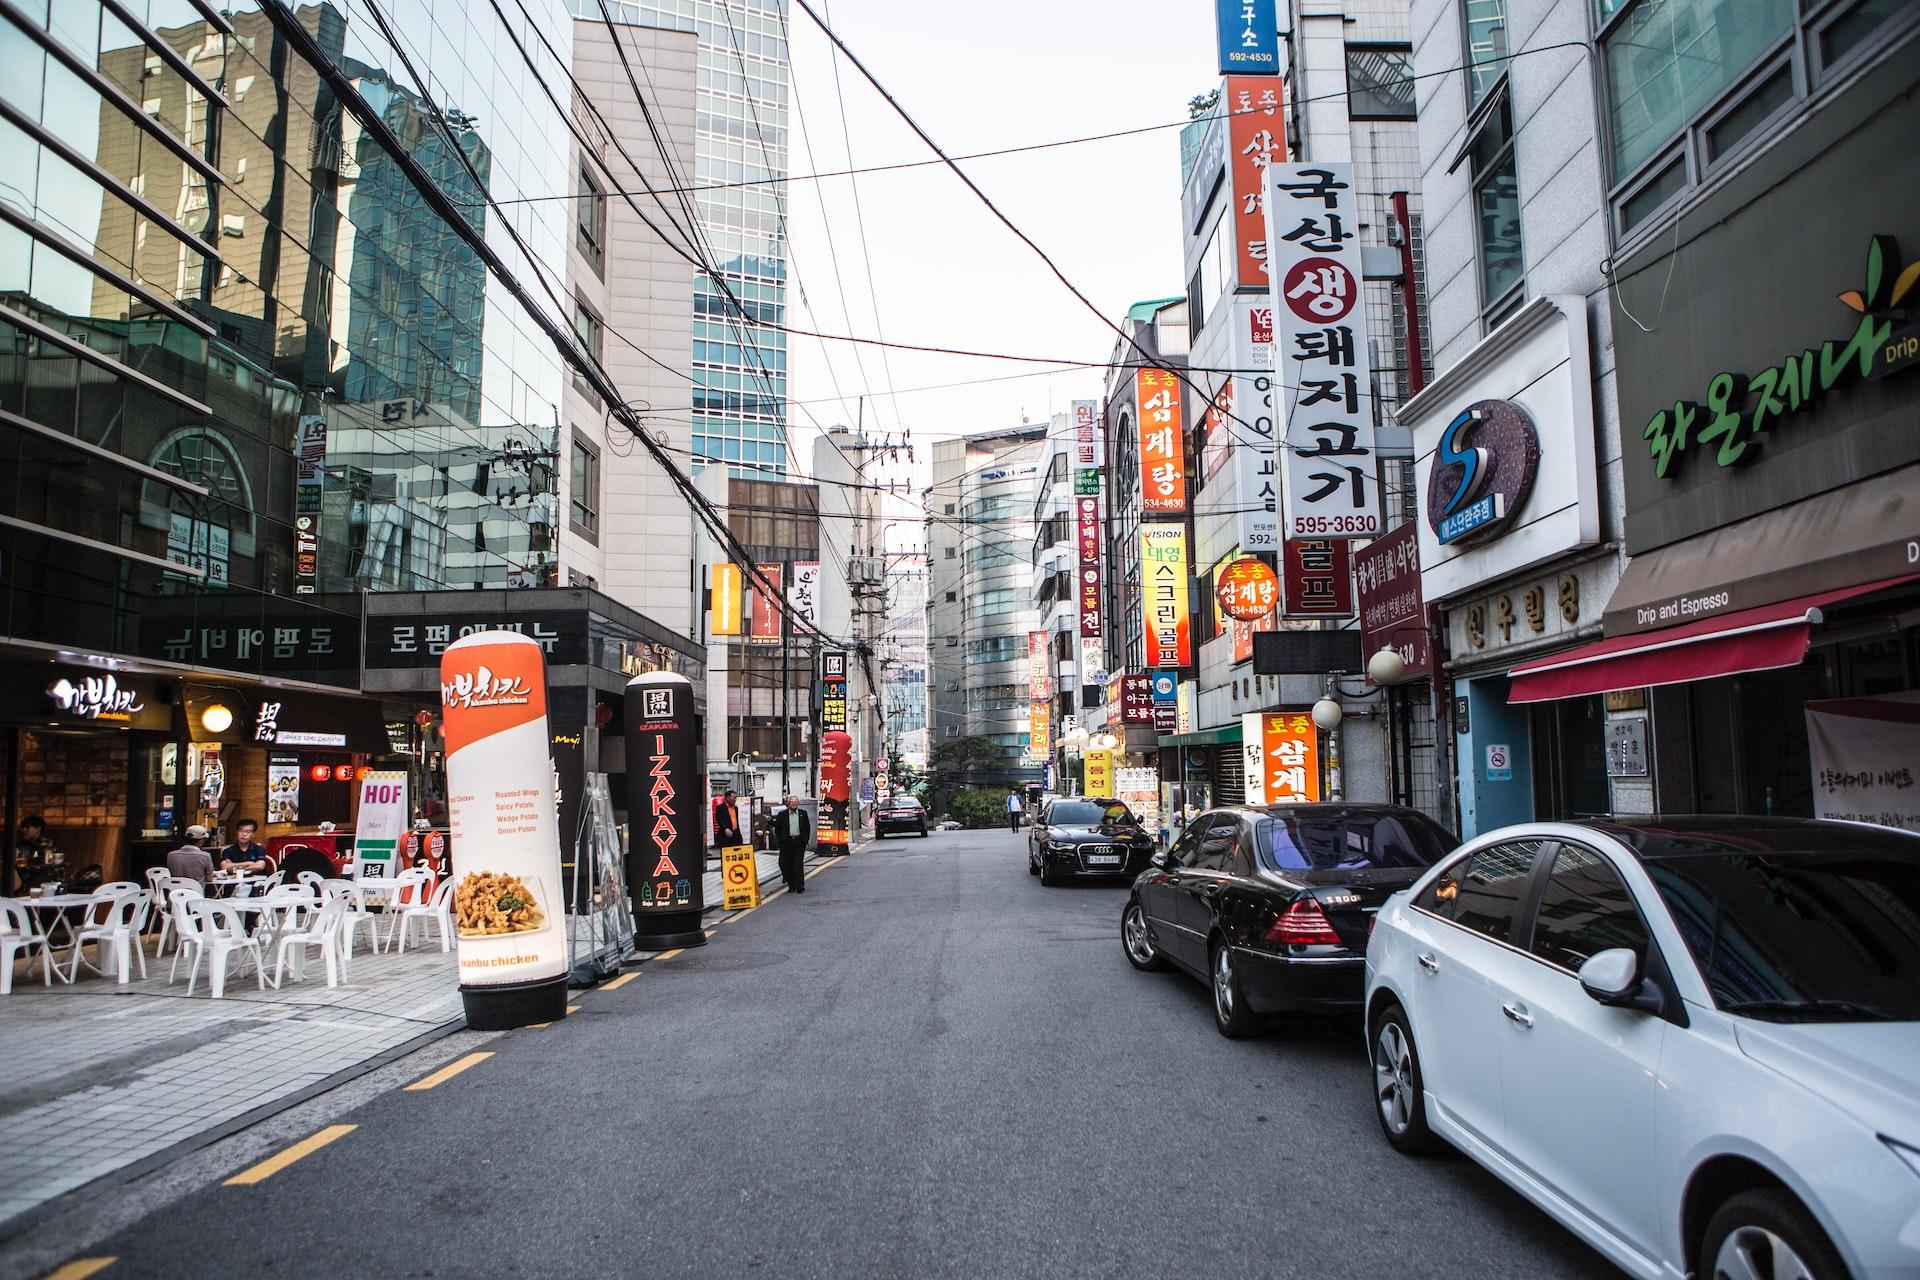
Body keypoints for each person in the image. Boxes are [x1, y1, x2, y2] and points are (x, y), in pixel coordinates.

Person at [774, 794, 811, 895]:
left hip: (799, 842)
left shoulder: (803, 813)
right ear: (788, 803)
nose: (794, 803)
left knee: (798, 865)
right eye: (792, 802)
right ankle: (791, 885)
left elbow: (807, 828)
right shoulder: (782, 814)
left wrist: (805, 839)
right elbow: (778, 829)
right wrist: (781, 841)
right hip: (786, 843)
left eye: (796, 802)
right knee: (785, 864)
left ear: (798, 803)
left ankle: (800, 885)